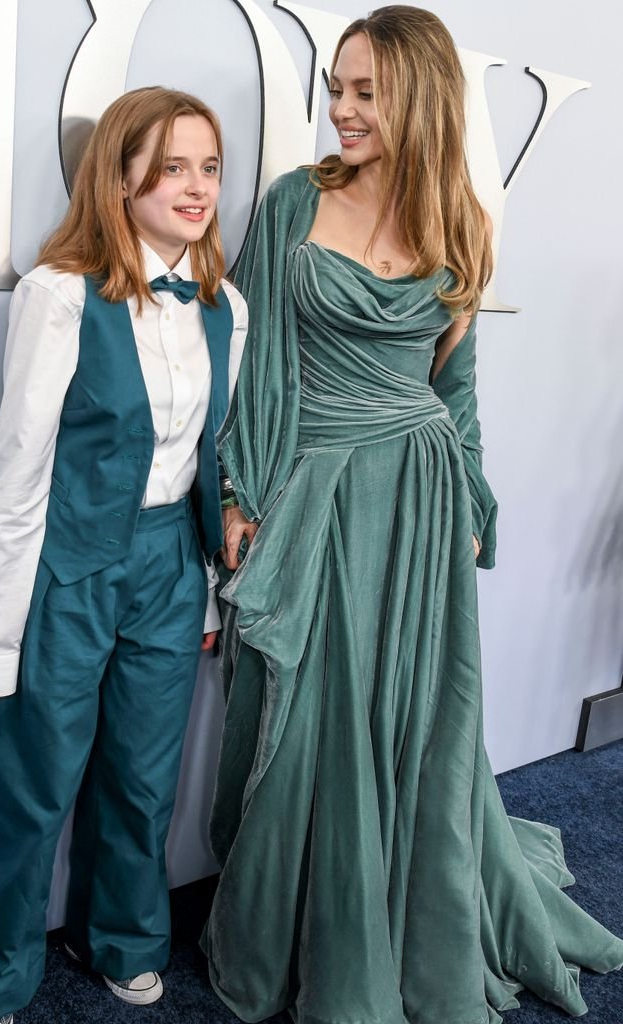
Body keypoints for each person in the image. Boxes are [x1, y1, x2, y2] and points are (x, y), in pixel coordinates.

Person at [202, 8, 623, 1023]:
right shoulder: (295, 203)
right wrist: (238, 488)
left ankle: (408, 905)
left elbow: (456, 385)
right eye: (335, 89)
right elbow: (257, 363)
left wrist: (473, 495)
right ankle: (313, 919)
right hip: (315, 491)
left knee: (420, 719)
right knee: (308, 717)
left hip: (419, 498)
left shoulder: (462, 223)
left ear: (420, 98)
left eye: (364, 92)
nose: (339, 110)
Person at [0, 86, 248, 1024]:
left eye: (208, 166)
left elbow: (208, 462)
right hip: (67, 565)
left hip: (169, 566)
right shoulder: (59, 294)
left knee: (144, 778)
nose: (195, 187)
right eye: (170, 165)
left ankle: (118, 936)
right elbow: (18, 473)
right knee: (32, 785)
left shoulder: (223, 303)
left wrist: (201, 596)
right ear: (120, 178)